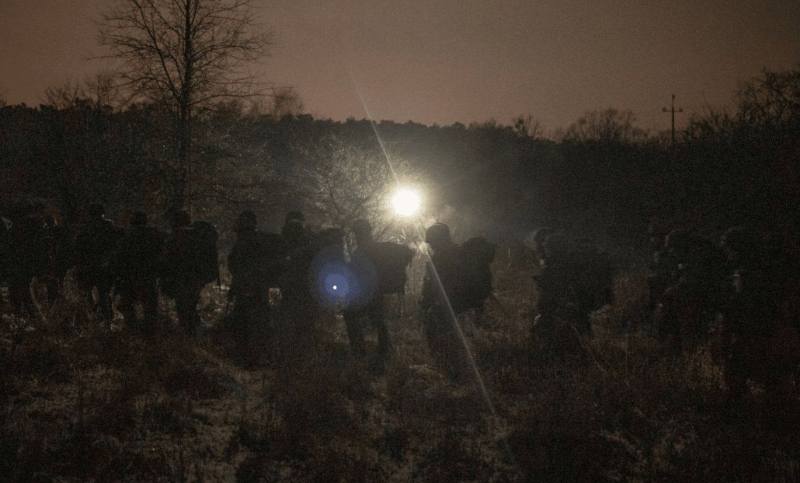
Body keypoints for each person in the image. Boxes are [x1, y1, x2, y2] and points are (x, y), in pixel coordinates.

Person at [344, 219, 414, 364]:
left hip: (368, 293)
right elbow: (408, 252)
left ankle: (359, 352)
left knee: (351, 315)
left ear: (357, 234)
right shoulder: (382, 247)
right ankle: (385, 351)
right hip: (378, 291)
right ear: (370, 232)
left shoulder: (360, 252)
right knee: (378, 320)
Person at [227, 210, 285, 361]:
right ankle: (262, 355)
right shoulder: (261, 239)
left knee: (244, 323)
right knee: (260, 322)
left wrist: (235, 287)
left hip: (247, 288)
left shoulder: (244, 241)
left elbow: (236, 267)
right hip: (259, 288)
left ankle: (247, 356)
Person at [421, 222, 470, 382]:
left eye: (432, 241)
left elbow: (437, 283)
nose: (431, 245)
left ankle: (450, 373)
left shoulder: (443, 256)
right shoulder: (458, 252)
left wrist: (430, 301)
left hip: (446, 303)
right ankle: (454, 370)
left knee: (442, 337)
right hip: (457, 302)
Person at [113, 210, 164, 335]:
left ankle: (132, 331)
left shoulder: (127, 235)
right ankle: (150, 333)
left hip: (130, 276)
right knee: (150, 307)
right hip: (148, 275)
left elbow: (118, 256)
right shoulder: (155, 234)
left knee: (128, 306)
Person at [161, 209, 208, 337]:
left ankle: (189, 335)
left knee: (183, 307)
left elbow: (167, 259)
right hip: (196, 278)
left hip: (181, 277)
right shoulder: (197, 235)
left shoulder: (175, 237)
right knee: (190, 305)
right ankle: (193, 332)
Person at [73, 203, 123, 321]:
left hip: (90, 266)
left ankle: (95, 315)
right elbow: (117, 245)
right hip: (104, 266)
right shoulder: (108, 226)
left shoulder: (86, 229)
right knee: (104, 294)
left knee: (89, 293)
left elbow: (78, 248)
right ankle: (107, 319)